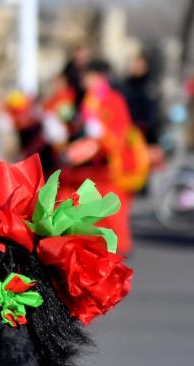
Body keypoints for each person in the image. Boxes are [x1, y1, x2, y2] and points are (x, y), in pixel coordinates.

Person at [42, 60, 138, 254]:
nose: (85, 80)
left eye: (89, 76)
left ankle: (114, 246)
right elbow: (60, 118)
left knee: (108, 208)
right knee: (69, 202)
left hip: (104, 166)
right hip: (76, 167)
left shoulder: (113, 100)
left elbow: (120, 131)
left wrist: (100, 137)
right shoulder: (76, 97)